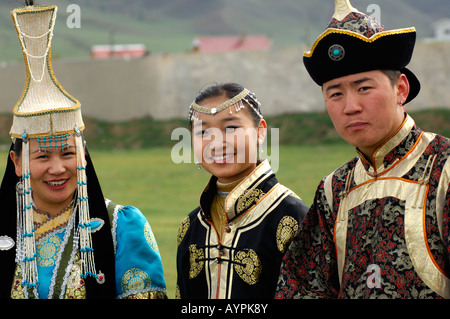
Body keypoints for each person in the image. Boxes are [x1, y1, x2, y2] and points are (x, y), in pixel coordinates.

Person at [276, 0, 450, 299]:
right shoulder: (334, 189)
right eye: (335, 94)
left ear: (401, 89)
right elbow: (301, 287)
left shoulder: (443, 168)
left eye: (364, 88)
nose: (350, 107)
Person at [0, 3, 166, 299]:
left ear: (84, 154)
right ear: (17, 162)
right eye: (42, 156)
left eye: (67, 153)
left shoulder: (123, 228)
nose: (57, 168)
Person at [176, 82, 308, 298]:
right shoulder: (190, 226)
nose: (216, 144)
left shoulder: (291, 216)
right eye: (203, 132)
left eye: (230, 128)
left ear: (260, 131)